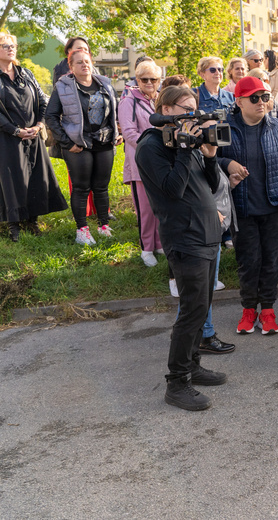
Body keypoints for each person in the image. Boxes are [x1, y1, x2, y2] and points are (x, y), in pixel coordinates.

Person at [135, 85, 227, 411]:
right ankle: (177, 384)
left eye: (194, 109)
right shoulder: (150, 146)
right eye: (184, 109)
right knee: (191, 312)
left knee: (201, 309)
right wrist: (187, 149)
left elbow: (212, 186)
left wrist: (211, 157)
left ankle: (193, 366)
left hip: (207, 233)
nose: (192, 115)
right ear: (166, 110)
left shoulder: (186, 143)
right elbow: (174, 190)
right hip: (184, 237)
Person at [220, 77, 278, 335]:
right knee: (249, 262)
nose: (261, 102)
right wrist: (226, 164)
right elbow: (209, 160)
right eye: (254, 98)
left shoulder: (277, 127)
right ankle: (249, 310)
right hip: (243, 209)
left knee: (271, 262)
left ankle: (269, 311)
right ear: (239, 101)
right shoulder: (224, 129)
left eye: (264, 97)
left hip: (273, 208)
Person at [45, 50, 121, 245]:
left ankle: (103, 225)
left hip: (103, 142)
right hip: (79, 144)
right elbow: (51, 116)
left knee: (101, 188)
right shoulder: (62, 87)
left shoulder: (105, 83)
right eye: (79, 63)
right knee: (81, 188)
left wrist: (116, 132)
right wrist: (67, 143)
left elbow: (114, 110)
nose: (84, 65)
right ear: (71, 67)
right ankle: (82, 230)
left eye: (87, 61)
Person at [0, 31, 67, 241]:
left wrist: (39, 125)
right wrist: (15, 130)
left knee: (37, 177)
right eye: (5, 45)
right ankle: (13, 226)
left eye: (13, 45)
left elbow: (44, 101)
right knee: (12, 180)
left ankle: (32, 221)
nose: (11, 48)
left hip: (34, 136)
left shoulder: (26, 74)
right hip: (6, 138)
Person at [118, 60, 162, 265]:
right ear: (137, 79)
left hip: (159, 163)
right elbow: (128, 132)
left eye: (153, 79)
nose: (149, 83)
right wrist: (150, 148)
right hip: (140, 163)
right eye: (144, 79)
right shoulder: (129, 101)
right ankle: (146, 248)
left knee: (159, 207)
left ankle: (159, 243)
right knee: (144, 209)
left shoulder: (159, 100)